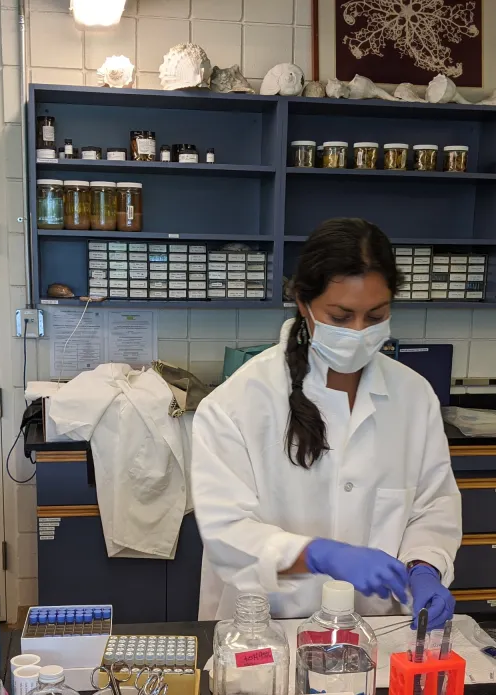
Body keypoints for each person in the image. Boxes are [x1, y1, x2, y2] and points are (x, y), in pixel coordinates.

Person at [191, 217, 462, 626]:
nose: (358, 331)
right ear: (304, 303)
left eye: (375, 317)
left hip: (380, 627)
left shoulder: (413, 395)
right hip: (268, 630)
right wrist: (319, 554)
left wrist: (424, 567)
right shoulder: (237, 403)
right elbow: (226, 533)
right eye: (340, 316)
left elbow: (433, 505)